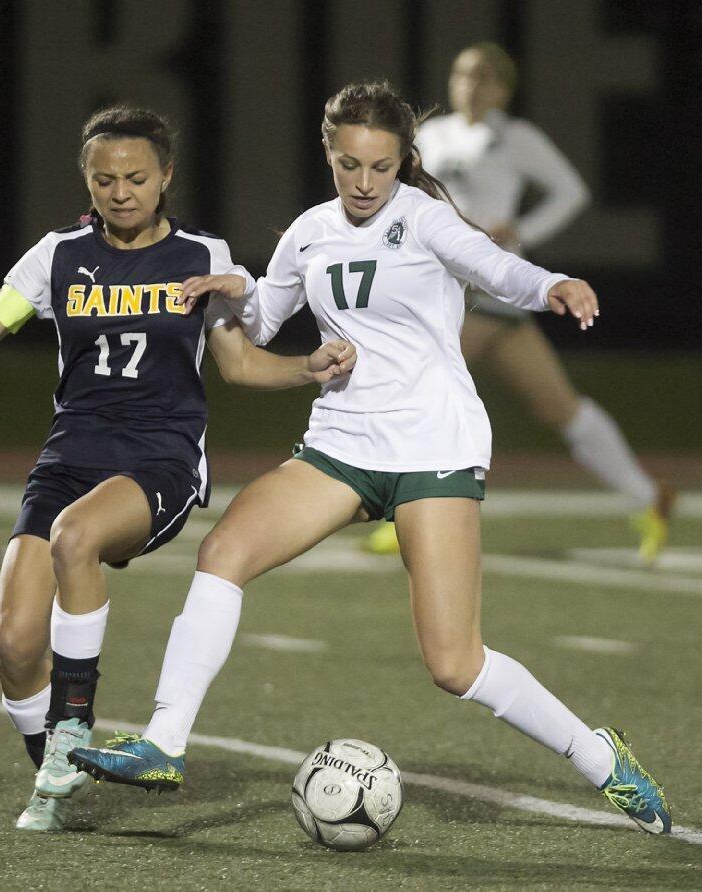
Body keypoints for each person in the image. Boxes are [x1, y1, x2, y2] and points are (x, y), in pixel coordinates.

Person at [68, 83, 671, 835]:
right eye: (349, 164)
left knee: (455, 665)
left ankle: (601, 758)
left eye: (381, 167)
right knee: (223, 551)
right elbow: (262, 320)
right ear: (329, 154)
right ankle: (164, 742)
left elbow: (494, 266)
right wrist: (236, 291)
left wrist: (552, 284)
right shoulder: (310, 231)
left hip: (432, 446)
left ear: (404, 163)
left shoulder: (425, 219)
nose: (363, 183)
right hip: (343, 444)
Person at [0, 105, 356, 832]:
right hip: (69, 454)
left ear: (166, 178)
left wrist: (307, 367)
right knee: (15, 644)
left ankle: (73, 729)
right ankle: (53, 777)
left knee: (75, 536)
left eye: (136, 178)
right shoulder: (57, 254)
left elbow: (240, 365)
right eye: (105, 179)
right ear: (86, 181)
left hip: (161, 457)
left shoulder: (201, 254)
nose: (121, 192)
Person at [365, 42, 673, 563]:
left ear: (504, 89)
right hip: (446, 285)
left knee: (417, 384)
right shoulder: (430, 135)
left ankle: (406, 514)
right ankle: (651, 498)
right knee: (559, 408)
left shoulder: (517, 137)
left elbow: (571, 192)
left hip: (488, 287)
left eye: (485, 77)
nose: (471, 84)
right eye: (464, 74)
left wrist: (520, 231)